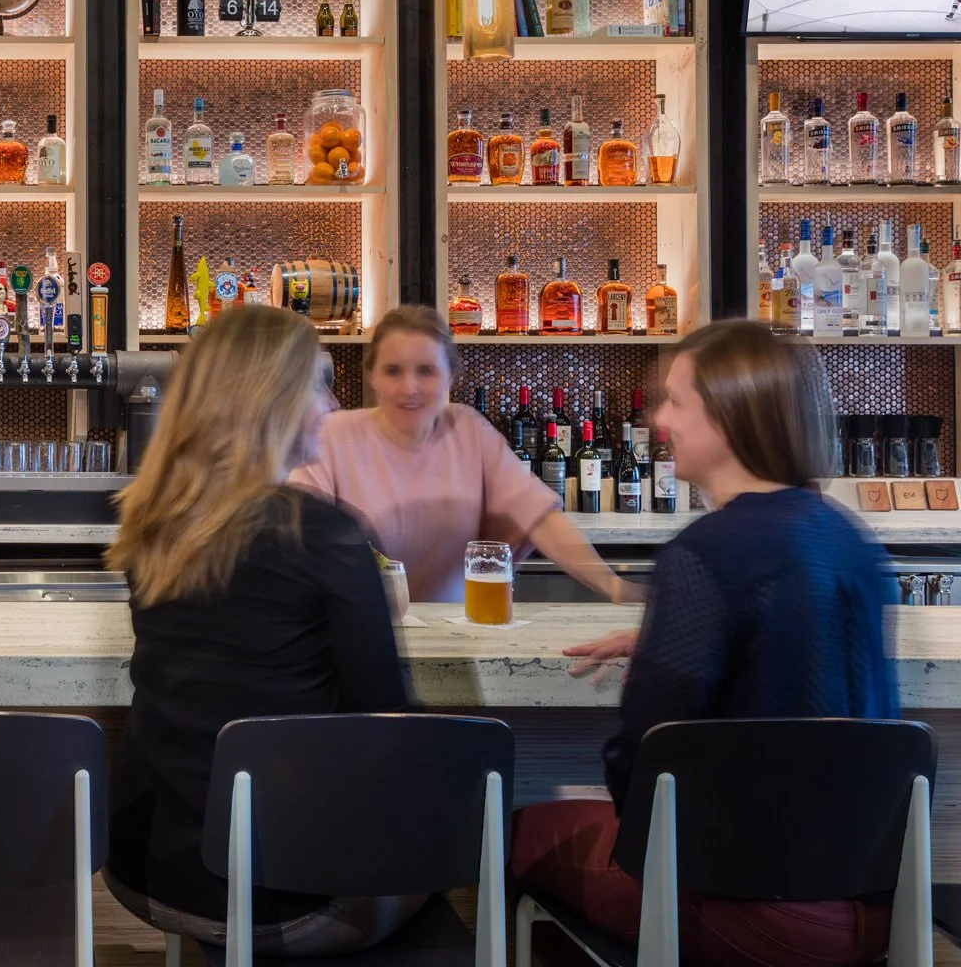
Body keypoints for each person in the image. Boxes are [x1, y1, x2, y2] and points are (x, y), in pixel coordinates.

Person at [513, 321, 898, 967]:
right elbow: (805, 653)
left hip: (753, 911)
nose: (659, 420)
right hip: (875, 905)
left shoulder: (704, 552)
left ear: (729, 416)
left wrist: (677, 646)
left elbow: (642, 767)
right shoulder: (848, 537)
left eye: (675, 401)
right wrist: (679, 637)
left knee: (516, 830)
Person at [104, 307, 418, 959]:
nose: (333, 406)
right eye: (318, 385)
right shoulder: (320, 531)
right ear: (272, 400)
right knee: (479, 838)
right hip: (286, 897)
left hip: (145, 870)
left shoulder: (154, 523)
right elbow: (385, 725)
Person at [288, 305, 629, 605]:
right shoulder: (331, 436)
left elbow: (540, 517)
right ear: (372, 375)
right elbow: (294, 539)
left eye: (426, 371)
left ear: (451, 376)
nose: (409, 388)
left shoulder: (468, 430)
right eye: (393, 371)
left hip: (459, 632)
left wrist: (612, 585)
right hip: (359, 629)